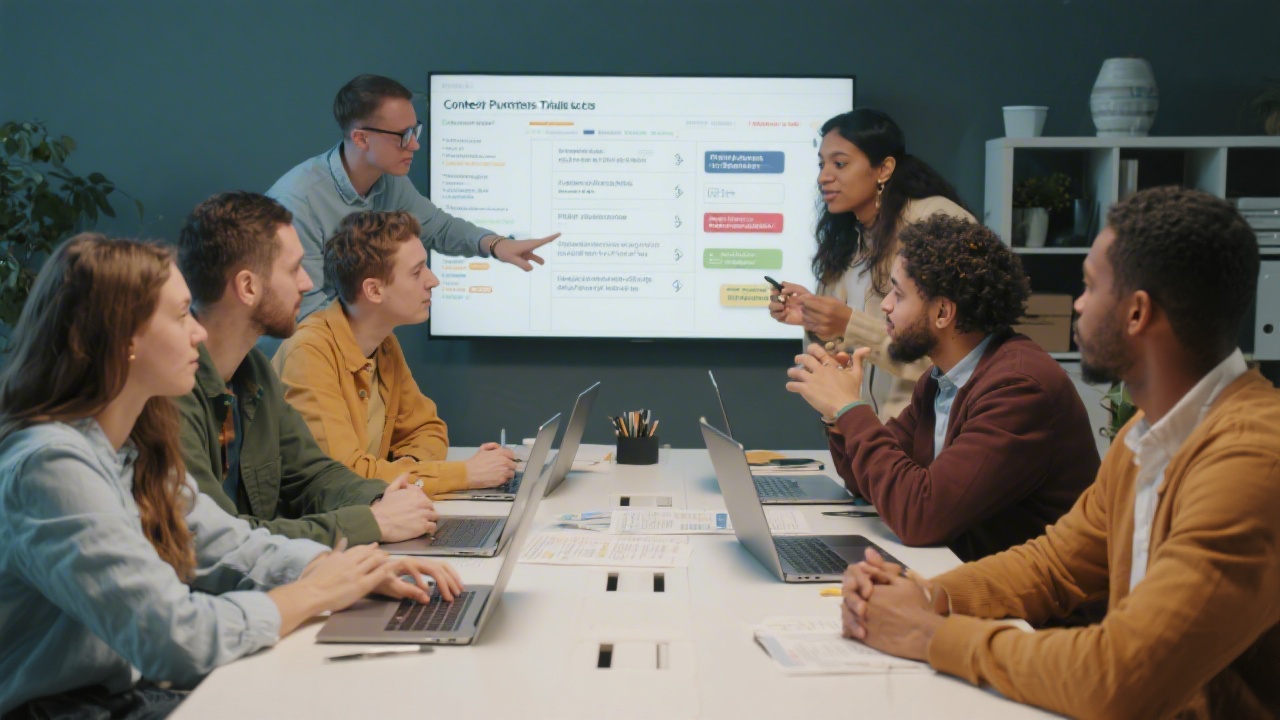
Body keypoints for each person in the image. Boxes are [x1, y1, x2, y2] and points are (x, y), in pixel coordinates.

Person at [840, 187, 1280, 719]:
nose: (1077, 304)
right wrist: (925, 595)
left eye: (1091, 287)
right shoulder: (1148, 433)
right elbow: (1052, 566)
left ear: (1137, 313)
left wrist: (934, 634)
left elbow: (1119, 676)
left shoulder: (1250, 460)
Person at [0, 234, 462, 718]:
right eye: (180, 316)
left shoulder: (132, 448)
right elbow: (173, 638)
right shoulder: (52, 465)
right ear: (123, 340)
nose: (197, 332)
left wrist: (338, 568)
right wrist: (313, 592)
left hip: (117, 695)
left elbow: (228, 543)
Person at [786, 214, 1097, 561]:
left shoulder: (1018, 389)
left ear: (943, 313)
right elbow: (867, 482)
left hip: (1031, 610)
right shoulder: (941, 380)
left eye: (898, 295)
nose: (886, 305)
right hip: (962, 573)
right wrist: (837, 415)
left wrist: (850, 410)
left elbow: (920, 518)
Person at [174, 191, 440, 545]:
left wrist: (383, 499)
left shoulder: (252, 370)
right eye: (293, 269)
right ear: (248, 286)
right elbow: (220, 541)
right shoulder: (170, 394)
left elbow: (312, 474)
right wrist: (370, 522)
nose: (308, 283)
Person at [267, 73, 559, 322]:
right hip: (296, 361)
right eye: (403, 135)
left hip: (353, 348)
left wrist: (497, 245)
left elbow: (439, 227)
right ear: (361, 139)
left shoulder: (390, 182)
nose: (415, 144)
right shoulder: (298, 202)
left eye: (415, 130)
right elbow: (304, 312)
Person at [273, 210, 516, 495]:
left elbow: (428, 430)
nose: (433, 280)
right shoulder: (308, 354)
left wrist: (409, 470)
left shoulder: (384, 344)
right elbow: (344, 476)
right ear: (374, 290)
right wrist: (465, 474)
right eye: (417, 272)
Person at [769, 109, 974, 419]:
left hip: (931, 439)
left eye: (839, 163)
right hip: (868, 439)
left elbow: (954, 354)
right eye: (822, 164)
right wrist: (815, 320)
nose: (824, 176)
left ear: (884, 168)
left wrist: (849, 324)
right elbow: (840, 360)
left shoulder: (935, 221)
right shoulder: (847, 239)